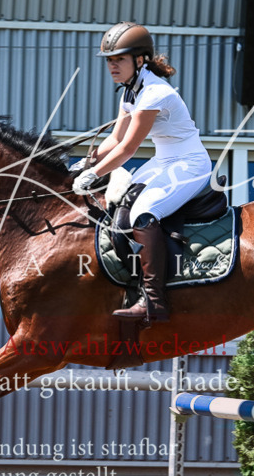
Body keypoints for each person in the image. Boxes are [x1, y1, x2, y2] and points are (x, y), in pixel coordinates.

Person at [72, 22, 213, 324]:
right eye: (109, 60)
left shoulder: (155, 94)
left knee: (144, 214)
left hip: (189, 165)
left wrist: (92, 175)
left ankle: (154, 301)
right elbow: (114, 139)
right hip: (165, 160)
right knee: (122, 202)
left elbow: (128, 149)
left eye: (118, 59)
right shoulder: (129, 92)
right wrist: (88, 162)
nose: (112, 66)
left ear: (140, 60)